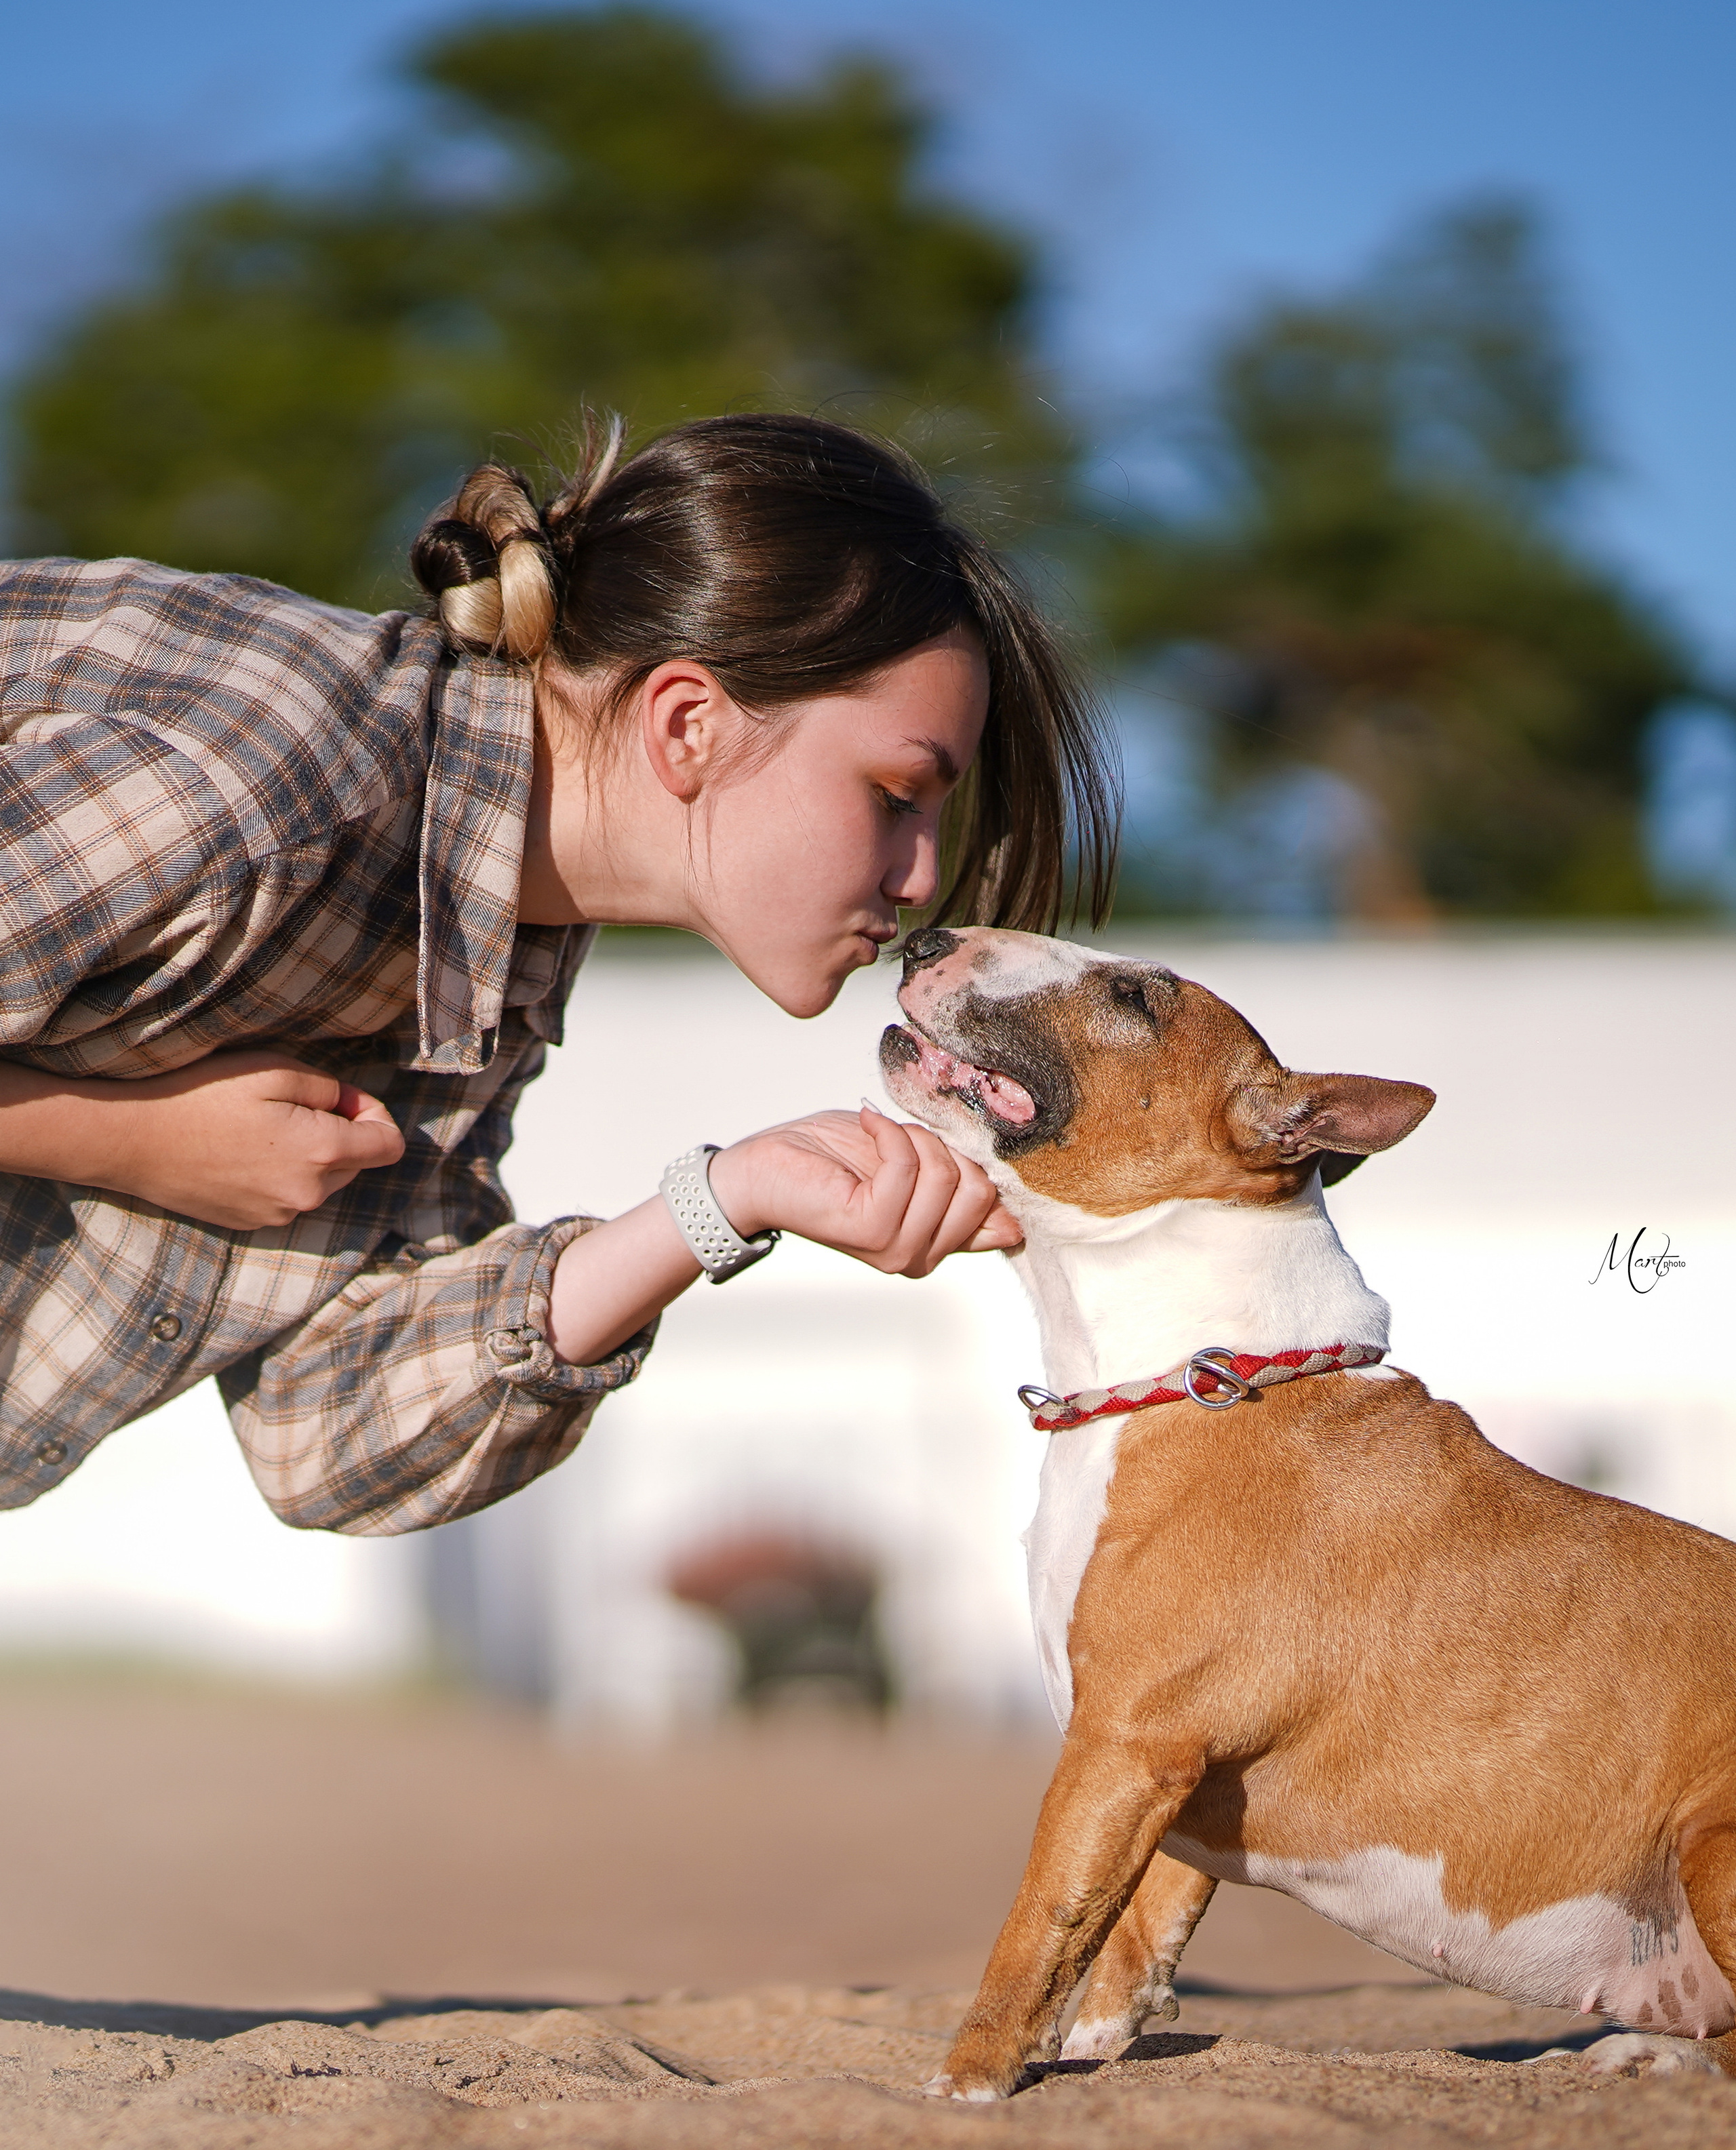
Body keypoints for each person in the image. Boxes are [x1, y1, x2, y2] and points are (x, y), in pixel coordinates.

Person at [0, 413, 1116, 1535]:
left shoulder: (488, 952)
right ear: (689, 725)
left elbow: (331, 1433)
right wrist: (117, 1139)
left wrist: (722, 1201)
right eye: (895, 794)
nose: (922, 877)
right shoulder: (263, 781)